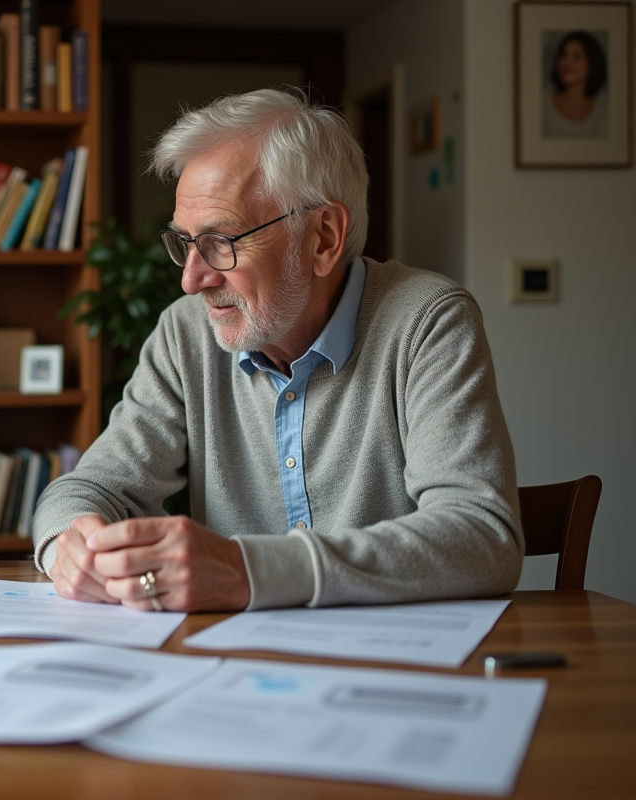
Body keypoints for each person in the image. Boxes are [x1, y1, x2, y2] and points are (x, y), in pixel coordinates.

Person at [32, 88, 522, 613]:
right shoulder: (186, 335)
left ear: (323, 238)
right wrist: (70, 545)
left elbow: (482, 535)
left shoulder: (428, 321)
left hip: (392, 669)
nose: (191, 281)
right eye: (184, 243)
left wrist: (249, 573)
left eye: (220, 242)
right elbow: (90, 489)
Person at [542, 30, 608, 138]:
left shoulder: (603, 113)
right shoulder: (542, 104)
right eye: (564, 54)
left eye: (576, 56)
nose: (567, 62)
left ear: (591, 64)